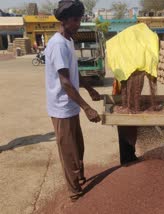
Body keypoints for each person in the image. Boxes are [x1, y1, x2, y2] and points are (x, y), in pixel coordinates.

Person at [45, 0, 101, 201]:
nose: (79, 23)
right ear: (65, 20)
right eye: (76, 20)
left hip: (71, 106)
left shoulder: (68, 40)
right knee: (68, 152)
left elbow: (75, 73)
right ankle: (74, 192)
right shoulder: (58, 44)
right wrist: (87, 108)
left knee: (78, 147)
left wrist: (90, 88)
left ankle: (79, 176)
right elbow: (66, 82)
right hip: (61, 107)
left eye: (80, 19)